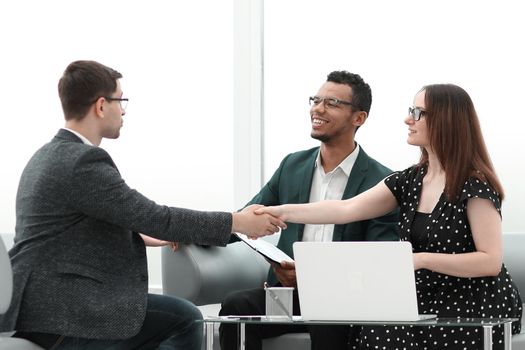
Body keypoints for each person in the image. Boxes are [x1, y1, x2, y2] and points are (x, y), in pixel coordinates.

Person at [0, 60, 286, 350]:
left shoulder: (46, 156)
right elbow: (154, 216)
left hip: (38, 310)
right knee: (185, 318)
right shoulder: (83, 162)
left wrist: (146, 236)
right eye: (120, 100)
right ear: (101, 106)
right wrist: (237, 221)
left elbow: (74, 229)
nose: (123, 111)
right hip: (64, 315)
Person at [258, 84, 523, 349]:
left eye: (418, 113)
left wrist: (420, 260)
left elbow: (490, 261)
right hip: (423, 297)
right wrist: (280, 211)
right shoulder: (411, 180)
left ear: (445, 120)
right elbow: (346, 209)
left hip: (474, 302)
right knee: (372, 330)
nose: (408, 119)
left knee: (385, 334)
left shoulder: (474, 185)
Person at [219, 71, 399, 350]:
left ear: (358, 118)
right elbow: (247, 217)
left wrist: (313, 275)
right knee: (237, 306)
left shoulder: (382, 183)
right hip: (287, 297)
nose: (317, 108)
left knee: (326, 317)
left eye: (332, 103)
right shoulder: (293, 165)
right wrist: (186, 233)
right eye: (316, 100)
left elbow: (376, 256)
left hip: (342, 301)